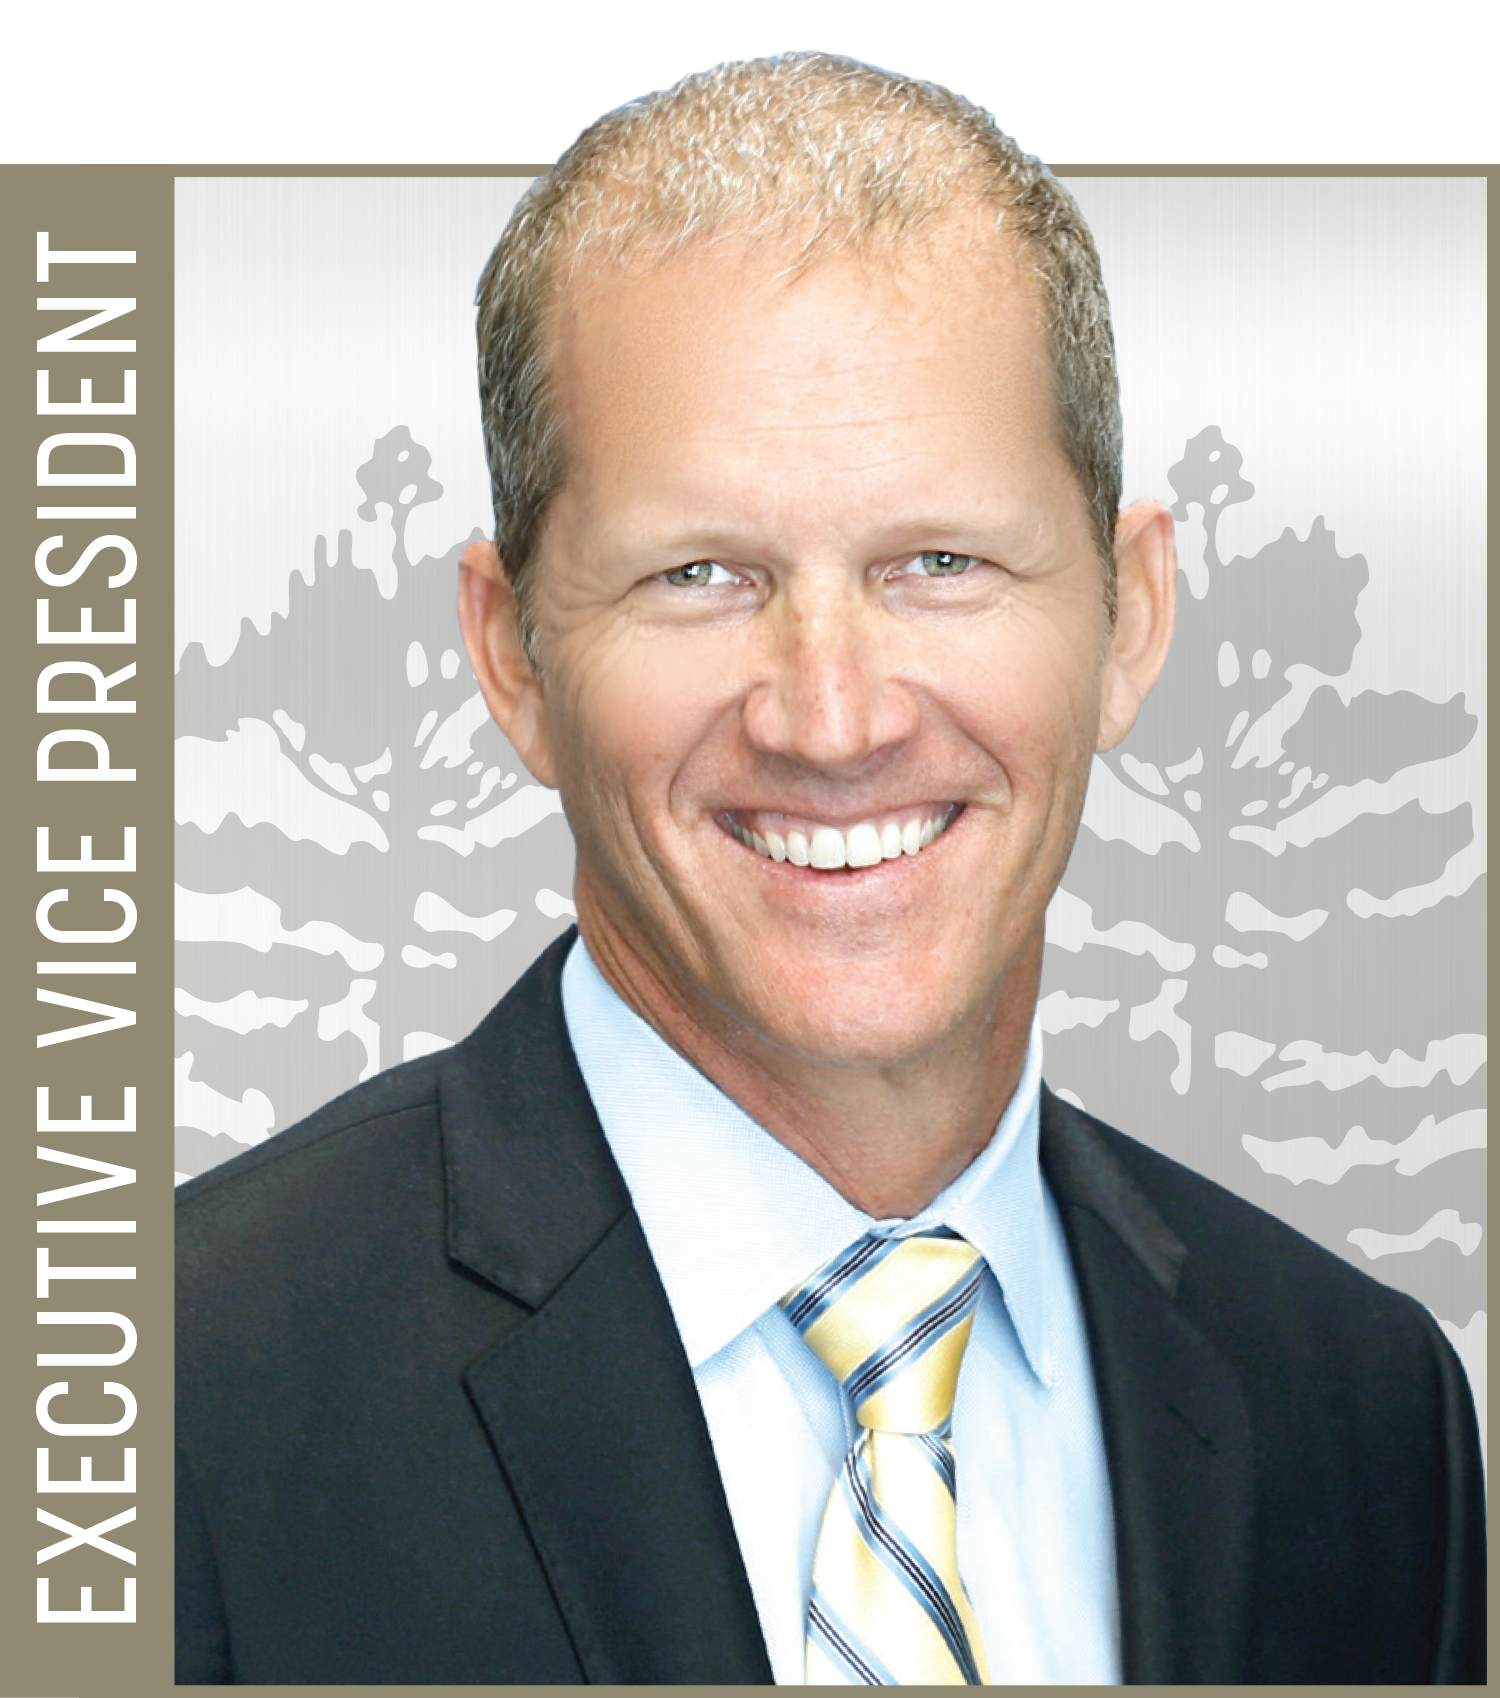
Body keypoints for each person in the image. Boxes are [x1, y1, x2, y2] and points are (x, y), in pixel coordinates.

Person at [175, 52, 1484, 1685]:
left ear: (1130, 616)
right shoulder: (155, 1401)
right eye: (700, 573)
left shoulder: (1364, 1417)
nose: (833, 714)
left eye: (941, 561)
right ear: (512, 655)